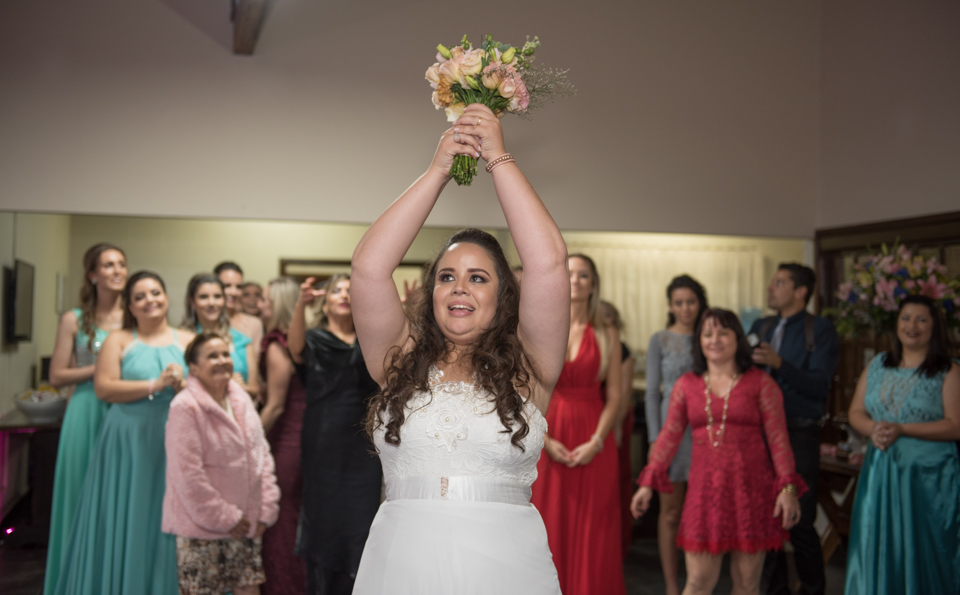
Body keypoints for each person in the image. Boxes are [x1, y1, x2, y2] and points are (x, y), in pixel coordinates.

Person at [350, 103, 569, 594]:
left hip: (505, 568)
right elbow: (367, 269)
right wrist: (437, 171)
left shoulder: (529, 367)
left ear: (504, 295)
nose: (460, 288)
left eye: (478, 278)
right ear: (431, 293)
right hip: (403, 564)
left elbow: (549, 264)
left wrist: (498, 158)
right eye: (446, 277)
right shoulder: (399, 360)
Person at [632, 308, 805, 595]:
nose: (715, 340)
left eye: (723, 333)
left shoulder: (761, 383)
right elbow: (668, 438)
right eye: (707, 333)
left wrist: (787, 489)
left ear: (738, 339)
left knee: (747, 584)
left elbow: (779, 441)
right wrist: (647, 483)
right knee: (698, 582)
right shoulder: (686, 385)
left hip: (752, 493)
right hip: (704, 495)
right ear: (699, 341)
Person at [54, 271, 193, 594]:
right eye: (140, 297)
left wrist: (182, 385)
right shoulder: (118, 339)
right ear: (130, 306)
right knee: (131, 512)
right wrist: (155, 385)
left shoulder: (187, 340)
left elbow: (202, 388)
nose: (149, 301)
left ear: (166, 297)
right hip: (128, 439)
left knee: (171, 512)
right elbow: (104, 388)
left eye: (155, 293)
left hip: (176, 438)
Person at [844, 295, 960, 594]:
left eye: (922, 319)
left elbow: (955, 425)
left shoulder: (948, 371)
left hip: (928, 477)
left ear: (934, 327)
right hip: (880, 470)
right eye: (906, 318)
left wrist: (903, 429)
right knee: (877, 540)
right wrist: (873, 429)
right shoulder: (878, 364)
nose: (912, 326)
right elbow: (856, 412)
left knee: (926, 548)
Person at [530, 254, 625, 595]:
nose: (575, 280)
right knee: (547, 521)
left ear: (593, 284)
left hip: (593, 437)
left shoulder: (607, 334)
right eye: (569, 273)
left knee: (593, 527)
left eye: (583, 275)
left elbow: (615, 395)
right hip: (548, 433)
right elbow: (528, 392)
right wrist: (544, 440)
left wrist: (597, 441)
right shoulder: (540, 329)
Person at [162, 332, 280, 595]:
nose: (222, 360)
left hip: (245, 524)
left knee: (249, 589)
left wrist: (265, 509)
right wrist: (226, 517)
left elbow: (262, 455)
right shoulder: (184, 406)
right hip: (201, 530)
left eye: (225, 354)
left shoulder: (242, 399)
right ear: (193, 368)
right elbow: (187, 475)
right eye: (212, 356)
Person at [287, 274, 382, 595]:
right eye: (336, 290)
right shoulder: (314, 339)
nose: (343, 294)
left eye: (349, 290)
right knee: (325, 523)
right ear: (324, 302)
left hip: (364, 447)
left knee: (361, 522)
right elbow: (295, 348)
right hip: (323, 443)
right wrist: (300, 304)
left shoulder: (371, 340)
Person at [749, 263, 839, 595]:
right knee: (765, 517)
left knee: (799, 518)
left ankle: (812, 590)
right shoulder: (761, 325)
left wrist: (779, 365)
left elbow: (818, 387)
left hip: (798, 431)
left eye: (779, 282)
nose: (770, 288)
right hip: (759, 433)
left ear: (800, 291)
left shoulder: (820, 330)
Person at [44, 243, 127, 595]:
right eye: (108, 265)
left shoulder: (134, 316)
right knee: (79, 494)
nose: (117, 270)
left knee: (118, 496)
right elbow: (56, 376)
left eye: (121, 264)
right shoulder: (74, 319)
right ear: (93, 274)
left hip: (123, 410)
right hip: (84, 409)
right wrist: (101, 369)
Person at [644, 274, 708, 595]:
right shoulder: (659, 339)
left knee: (703, 511)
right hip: (671, 434)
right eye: (679, 302)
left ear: (700, 303)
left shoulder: (710, 336)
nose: (685, 308)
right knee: (670, 514)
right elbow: (651, 393)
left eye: (691, 301)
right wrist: (655, 439)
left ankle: (700, 581)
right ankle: (671, 586)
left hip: (705, 431)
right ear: (670, 305)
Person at [256, 277, 307, 595]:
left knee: (281, 522)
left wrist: (248, 444)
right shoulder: (301, 341)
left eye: (265, 300)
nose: (260, 305)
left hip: (286, 441)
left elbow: (275, 407)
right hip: (303, 440)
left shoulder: (278, 345)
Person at [600, 300, 637, 558]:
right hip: (589, 416)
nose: (604, 321)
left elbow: (623, 395)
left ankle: (620, 541)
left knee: (618, 479)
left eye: (609, 316)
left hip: (615, 420)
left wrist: (615, 428)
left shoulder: (621, 349)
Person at [181, 273, 259, 396]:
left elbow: (254, 389)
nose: (212, 303)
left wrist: (239, 387)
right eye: (204, 297)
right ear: (192, 302)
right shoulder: (181, 339)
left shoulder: (242, 341)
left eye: (217, 296)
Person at [216, 261, 264, 363]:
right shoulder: (206, 321)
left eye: (238, 287)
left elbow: (255, 364)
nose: (233, 292)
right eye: (227, 286)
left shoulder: (254, 324)